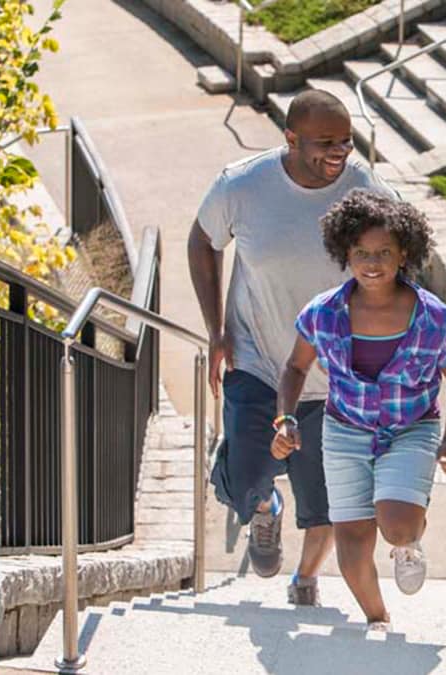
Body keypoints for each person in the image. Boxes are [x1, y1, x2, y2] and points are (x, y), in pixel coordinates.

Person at [187, 89, 397, 606]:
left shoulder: (364, 188)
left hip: (332, 378)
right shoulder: (243, 185)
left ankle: (305, 578)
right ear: (290, 138)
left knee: (324, 502)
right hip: (256, 357)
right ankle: (262, 509)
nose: (338, 153)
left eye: (345, 142)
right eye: (324, 143)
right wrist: (216, 329)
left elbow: (401, 259)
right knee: (246, 480)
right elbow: (202, 241)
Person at [271, 189, 446, 631]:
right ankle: (377, 619)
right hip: (344, 431)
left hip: (410, 428)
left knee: (396, 526)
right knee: (352, 546)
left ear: (405, 254)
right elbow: (295, 367)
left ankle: (408, 540)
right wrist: (285, 418)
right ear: (345, 252)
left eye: (384, 252)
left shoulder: (434, 318)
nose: (372, 262)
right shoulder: (322, 314)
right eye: (361, 252)